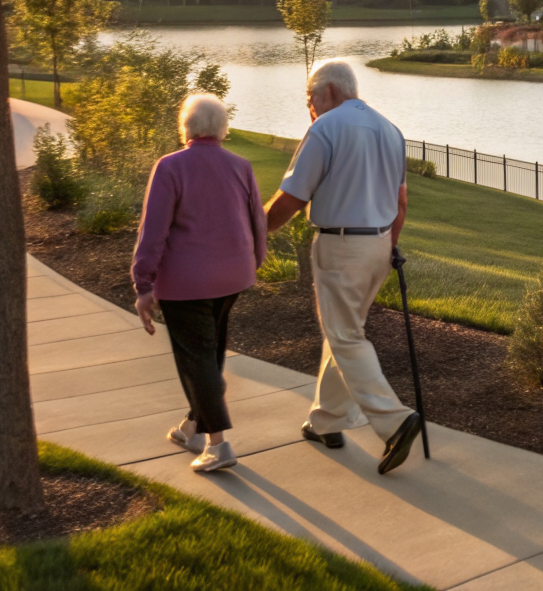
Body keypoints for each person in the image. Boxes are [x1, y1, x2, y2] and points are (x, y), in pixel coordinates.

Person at [265, 58, 422, 475]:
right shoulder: (391, 130)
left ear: (328, 92)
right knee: (344, 331)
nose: (309, 108)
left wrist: (253, 230)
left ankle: (394, 421)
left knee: (346, 336)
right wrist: (389, 246)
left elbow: (292, 199)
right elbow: (402, 203)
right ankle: (327, 421)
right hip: (380, 245)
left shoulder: (325, 128)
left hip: (341, 246)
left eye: (309, 98)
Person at [131, 93, 266, 473]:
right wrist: (253, 262)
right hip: (233, 276)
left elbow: (152, 231)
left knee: (198, 360)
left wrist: (143, 285)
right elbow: (257, 220)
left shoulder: (171, 167)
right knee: (210, 354)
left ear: (186, 127)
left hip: (187, 283)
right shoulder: (241, 166)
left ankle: (218, 445)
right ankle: (192, 427)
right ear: (223, 129)